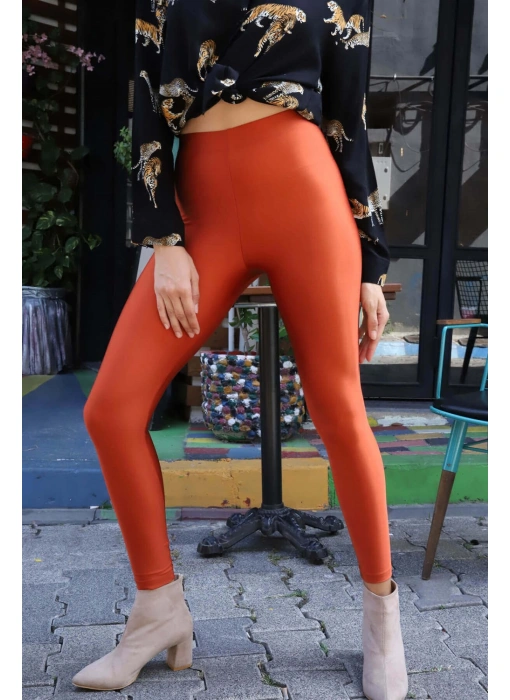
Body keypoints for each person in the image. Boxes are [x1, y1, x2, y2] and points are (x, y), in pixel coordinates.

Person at [72, 1, 408, 698]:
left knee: (337, 407)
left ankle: (382, 617)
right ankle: (158, 611)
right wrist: (163, 239)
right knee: (111, 409)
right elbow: (147, 103)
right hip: (204, 211)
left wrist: (371, 265)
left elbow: (347, 115)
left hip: (305, 194)